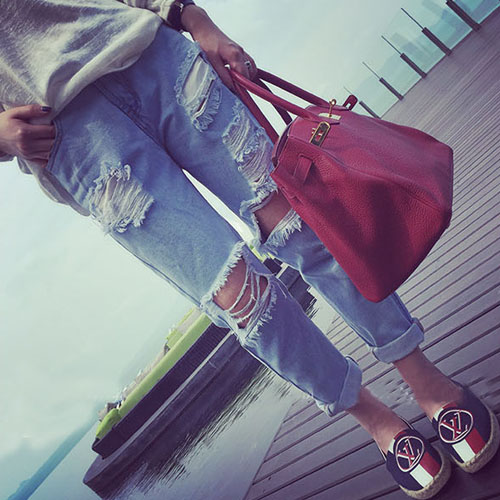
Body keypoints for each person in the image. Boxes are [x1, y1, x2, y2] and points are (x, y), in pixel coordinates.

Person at [1, 1, 497, 497]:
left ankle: (428, 382)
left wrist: (194, 19)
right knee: (241, 300)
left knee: (301, 226)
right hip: (73, 140)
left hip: (146, 55)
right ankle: (376, 420)